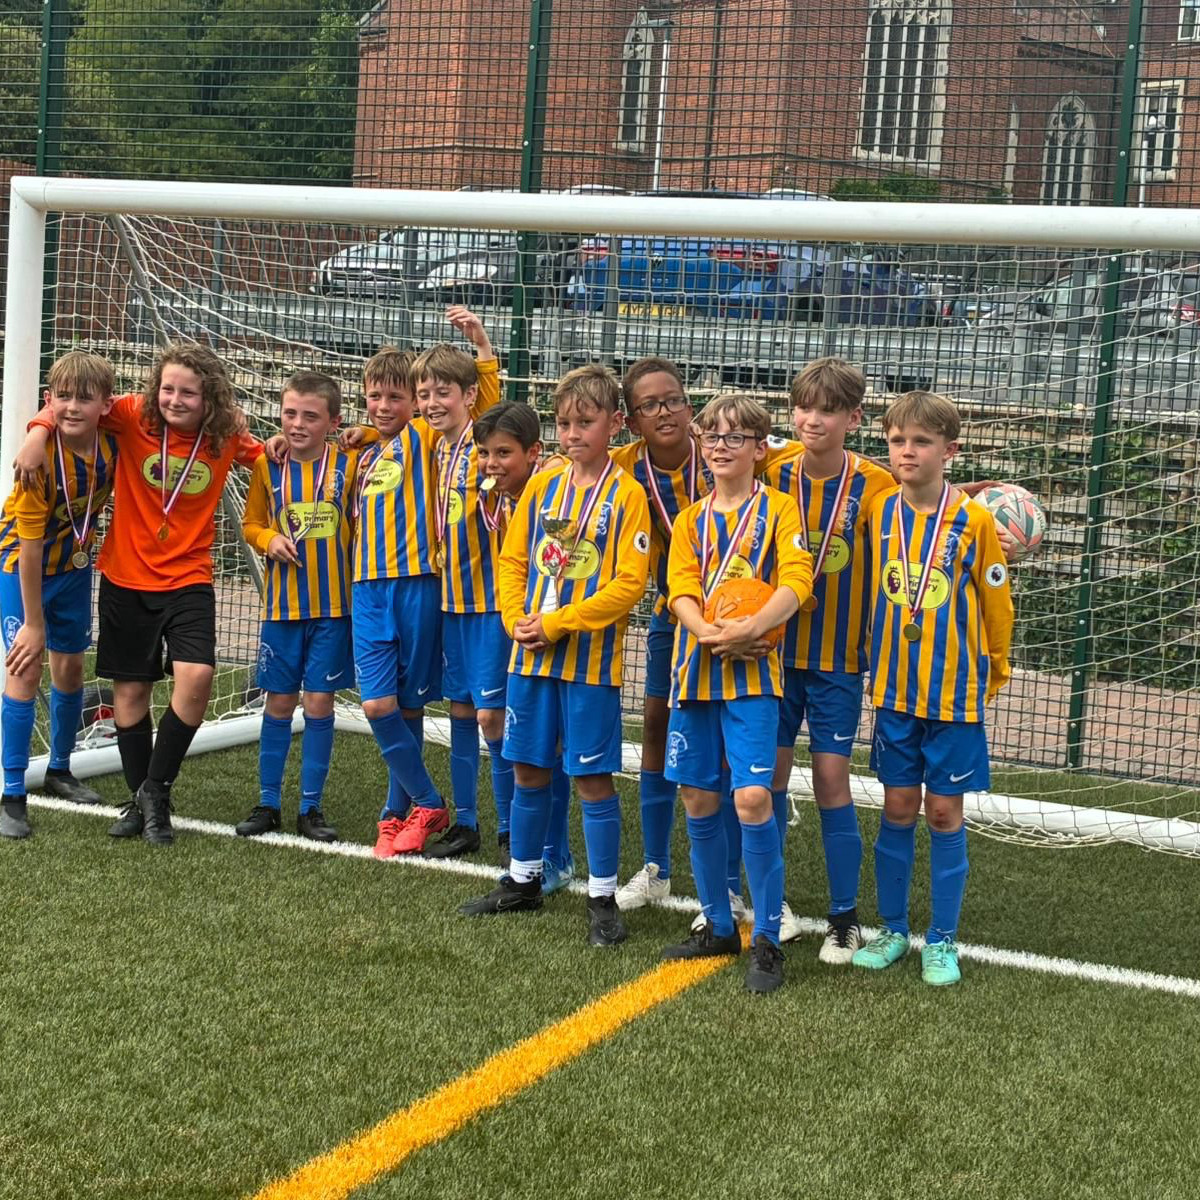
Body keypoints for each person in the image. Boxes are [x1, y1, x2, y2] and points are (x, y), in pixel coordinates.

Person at [15, 343, 264, 845]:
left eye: (188, 392)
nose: (175, 399)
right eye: (167, 388)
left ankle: (155, 789)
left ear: (210, 398)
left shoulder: (226, 435)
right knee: (130, 694)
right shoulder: (133, 415)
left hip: (190, 578)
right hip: (125, 578)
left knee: (197, 676)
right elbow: (74, 402)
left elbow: (272, 455)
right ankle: (144, 803)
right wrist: (37, 432)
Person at [460, 365, 651, 947]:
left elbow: (629, 584)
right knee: (527, 769)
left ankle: (602, 898)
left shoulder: (627, 495)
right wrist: (514, 617)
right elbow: (513, 560)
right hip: (530, 659)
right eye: (564, 423)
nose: (572, 434)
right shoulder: (543, 485)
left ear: (615, 424)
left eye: (584, 422)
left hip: (589, 663)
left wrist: (559, 622)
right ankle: (523, 880)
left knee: (591, 776)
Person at [852, 390, 1013, 986]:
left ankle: (942, 939)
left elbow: (996, 602)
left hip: (953, 696)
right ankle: (893, 929)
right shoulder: (878, 511)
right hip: (894, 693)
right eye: (898, 440)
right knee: (897, 808)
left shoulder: (975, 521)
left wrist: (995, 668)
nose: (907, 451)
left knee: (943, 813)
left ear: (950, 450)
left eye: (921, 441)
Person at [658, 393, 812, 993]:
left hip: (754, 674)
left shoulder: (780, 510)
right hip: (697, 669)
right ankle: (719, 925)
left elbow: (797, 580)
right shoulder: (690, 520)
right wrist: (710, 632)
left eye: (735, 437)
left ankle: (767, 937)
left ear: (759, 448)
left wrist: (752, 628)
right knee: (698, 797)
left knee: (751, 798)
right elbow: (679, 588)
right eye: (712, 437)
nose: (721, 447)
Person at [761, 357, 896, 962]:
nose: (812, 419)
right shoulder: (772, 470)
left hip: (838, 660)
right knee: (767, 779)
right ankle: (774, 907)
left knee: (832, 780)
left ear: (853, 418)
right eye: (803, 407)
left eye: (827, 410)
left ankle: (844, 918)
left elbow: (923, 506)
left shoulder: (875, 484)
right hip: (771, 654)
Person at [352, 307, 499, 857]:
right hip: (368, 588)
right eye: (375, 397)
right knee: (378, 704)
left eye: (398, 398)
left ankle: (403, 814)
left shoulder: (428, 439)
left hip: (421, 583)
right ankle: (427, 802)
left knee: (424, 707)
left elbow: (479, 405)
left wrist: (482, 347)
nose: (385, 407)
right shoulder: (359, 453)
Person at [0, 352, 118, 838]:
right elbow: (29, 548)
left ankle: (60, 770)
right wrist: (33, 623)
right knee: (26, 668)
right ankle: (11, 793)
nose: (72, 407)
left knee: (70, 668)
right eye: (62, 397)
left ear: (105, 405)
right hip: (21, 570)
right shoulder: (38, 462)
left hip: (74, 566)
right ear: (49, 401)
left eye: (83, 398)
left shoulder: (113, 443)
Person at [237, 371, 355, 842]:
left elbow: (378, 440)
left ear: (333, 422)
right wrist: (268, 539)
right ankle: (268, 803)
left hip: (334, 609)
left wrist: (363, 435)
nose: (297, 424)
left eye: (310, 416)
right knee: (280, 701)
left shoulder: (348, 463)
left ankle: (311, 807)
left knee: (319, 702)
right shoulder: (267, 465)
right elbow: (250, 523)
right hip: (283, 609)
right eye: (290, 414)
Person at [466, 401, 573, 880]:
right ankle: (515, 833)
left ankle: (555, 852)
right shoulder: (501, 494)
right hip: (506, 618)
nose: (491, 464)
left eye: (503, 453)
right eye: (485, 453)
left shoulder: (557, 489)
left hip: (551, 626)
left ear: (534, 453)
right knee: (494, 720)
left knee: (550, 741)